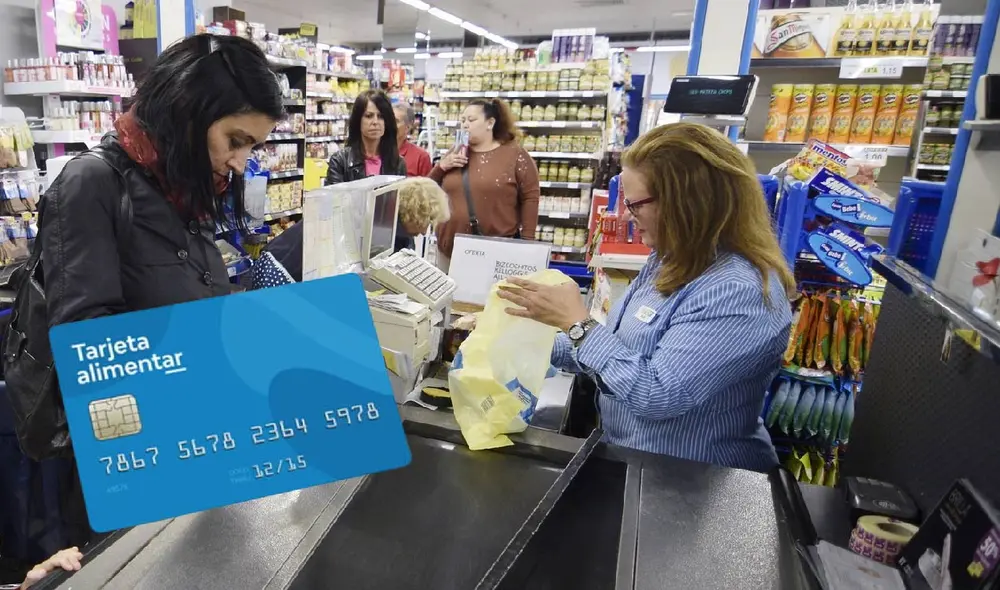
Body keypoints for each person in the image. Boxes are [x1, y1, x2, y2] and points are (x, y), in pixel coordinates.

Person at [6, 33, 283, 543]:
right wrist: (206, 353)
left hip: (190, 440)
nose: (242, 161)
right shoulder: (93, 183)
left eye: (253, 146)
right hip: (129, 457)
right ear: (189, 115)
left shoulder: (184, 185)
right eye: (236, 140)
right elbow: (88, 346)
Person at [497, 122, 795, 473]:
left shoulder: (737, 291)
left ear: (688, 203)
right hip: (638, 463)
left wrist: (577, 324)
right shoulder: (670, 258)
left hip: (696, 486)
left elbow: (657, 394)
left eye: (635, 205)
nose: (625, 215)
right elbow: (621, 352)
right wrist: (520, 337)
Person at [262, 176, 451, 283]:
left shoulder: (389, 224)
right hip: (281, 270)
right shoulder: (379, 227)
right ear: (413, 213)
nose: (425, 231)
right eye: (426, 221)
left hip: (294, 266)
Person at [431, 98, 540, 272]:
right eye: (463, 120)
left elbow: (530, 197)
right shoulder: (456, 152)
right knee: (448, 299)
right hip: (449, 251)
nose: (465, 125)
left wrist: (527, 243)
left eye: (472, 120)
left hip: (495, 253)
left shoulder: (515, 155)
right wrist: (442, 166)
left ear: (490, 123)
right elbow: (428, 188)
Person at [327, 89, 406, 184]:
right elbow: (335, 197)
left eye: (381, 116)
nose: (375, 122)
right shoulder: (340, 162)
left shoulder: (397, 164)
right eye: (369, 116)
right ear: (358, 120)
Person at [393, 104, 432, 178]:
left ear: (408, 127)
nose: (389, 124)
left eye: (395, 121)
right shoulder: (376, 151)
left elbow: (427, 187)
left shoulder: (421, 157)